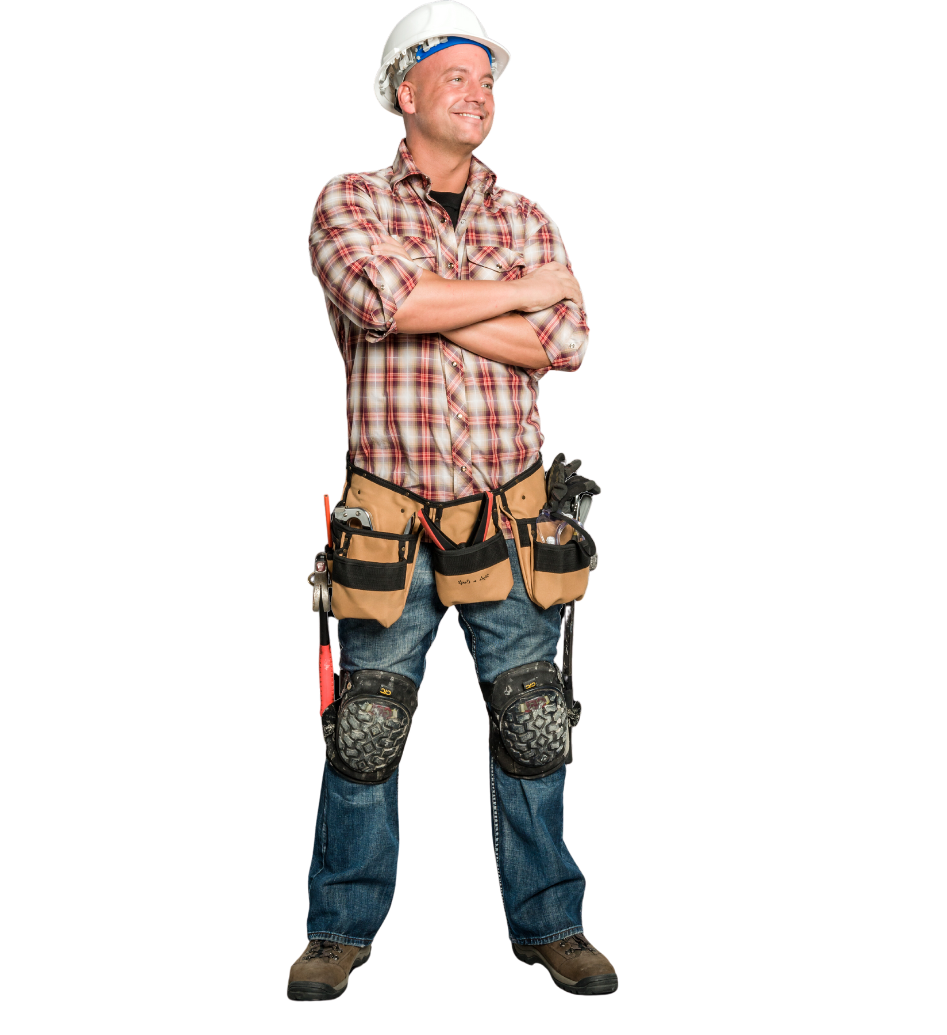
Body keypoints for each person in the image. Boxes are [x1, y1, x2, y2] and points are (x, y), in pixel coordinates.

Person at [291, 0, 616, 1001]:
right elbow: (379, 300)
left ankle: (552, 922)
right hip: (388, 523)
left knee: (535, 724)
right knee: (366, 733)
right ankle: (337, 930)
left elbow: (568, 342)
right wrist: (517, 294)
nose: (479, 93)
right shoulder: (347, 199)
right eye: (457, 75)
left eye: (488, 79)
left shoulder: (525, 214)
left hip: (515, 519)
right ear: (405, 90)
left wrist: (430, 304)